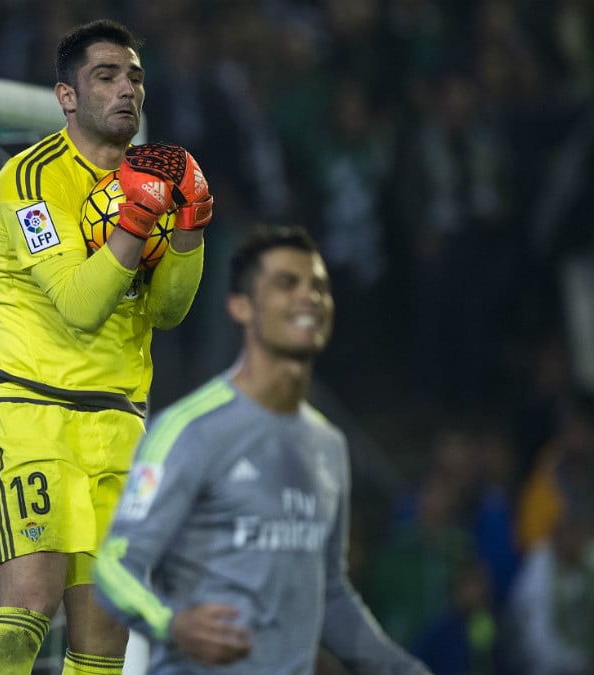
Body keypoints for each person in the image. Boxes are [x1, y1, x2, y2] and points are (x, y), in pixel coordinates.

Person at [0, 18, 213, 675]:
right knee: (30, 604)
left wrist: (188, 228)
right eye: (106, 76)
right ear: (67, 96)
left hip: (118, 426)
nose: (127, 87)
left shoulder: (143, 179)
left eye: (134, 76)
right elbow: (79, 304)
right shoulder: (31, 180)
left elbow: (169, 309)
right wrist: (137, 219)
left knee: (104, 642)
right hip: (28, 411)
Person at [93, 226, 430, 675]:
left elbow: (329, 594)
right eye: (286, 284)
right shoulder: (190, 429)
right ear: (241, 306)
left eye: (319, 288)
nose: (308, 297)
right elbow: (116, 567)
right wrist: (171, 624)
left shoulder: (329, 446)